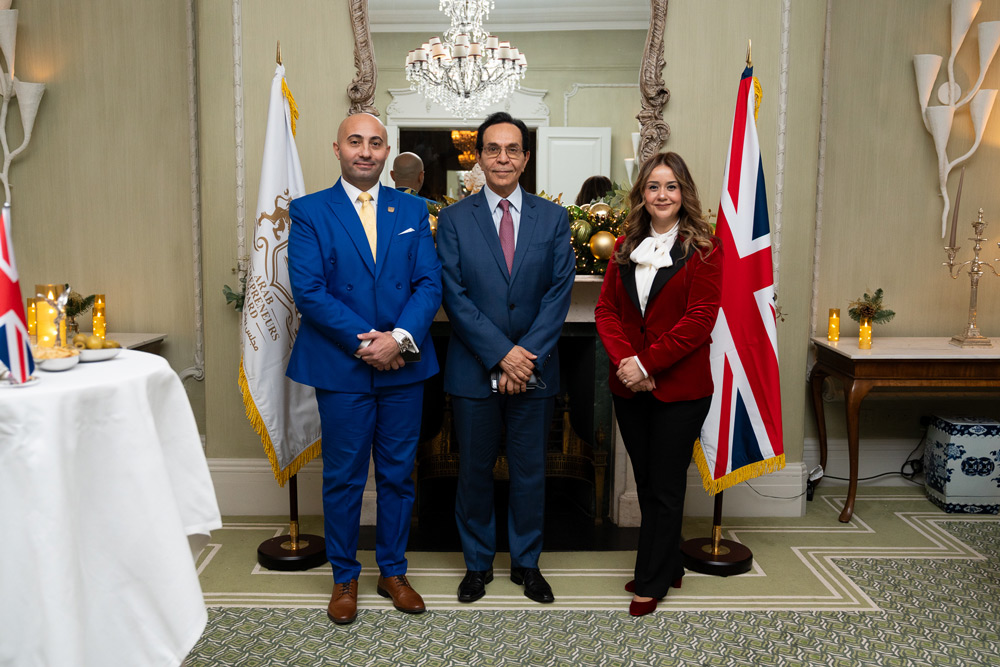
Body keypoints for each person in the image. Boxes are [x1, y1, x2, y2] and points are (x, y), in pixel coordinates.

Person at [286, 112, 442, 626]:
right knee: (344, 479)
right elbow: (309, 291)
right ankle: (344, 576)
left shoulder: (414, 208)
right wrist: (370, 344)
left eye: (376, 143)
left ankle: (393, 572)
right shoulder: (310, 210)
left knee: (398, 476)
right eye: (356, 142)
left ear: (386, 152)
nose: (366, 151)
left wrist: (398, 339)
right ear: (337, 149)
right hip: (343, 367)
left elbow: (429, 284)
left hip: (403, 364)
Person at [436, 111, 575, 605]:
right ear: (478, 157)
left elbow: (558, 294)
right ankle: (477, 566)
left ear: (525, 158)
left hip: (535, 370)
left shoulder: (553, 219)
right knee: (473, 473)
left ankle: (527, 564)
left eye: (512, 149)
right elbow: (454, 295)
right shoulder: (454, 220)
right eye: (492, 149)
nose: (502, 158)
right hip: (473, 370)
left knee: (530, 471)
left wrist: (524, 358)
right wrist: (502, 354)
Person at [593, 152, 723, 617]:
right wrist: (627, 363)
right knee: (648, 483)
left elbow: (699, 320)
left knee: (665, 487)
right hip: (629, 385)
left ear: (683, 192)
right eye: (653, 186)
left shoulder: (704, 248)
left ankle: (651, 580)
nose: (662, 195)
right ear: (642, 194)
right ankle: (667, 565)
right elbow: (606, 310)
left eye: (671, 186)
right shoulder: (625, 245)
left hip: (681, 388)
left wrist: (647, 363)